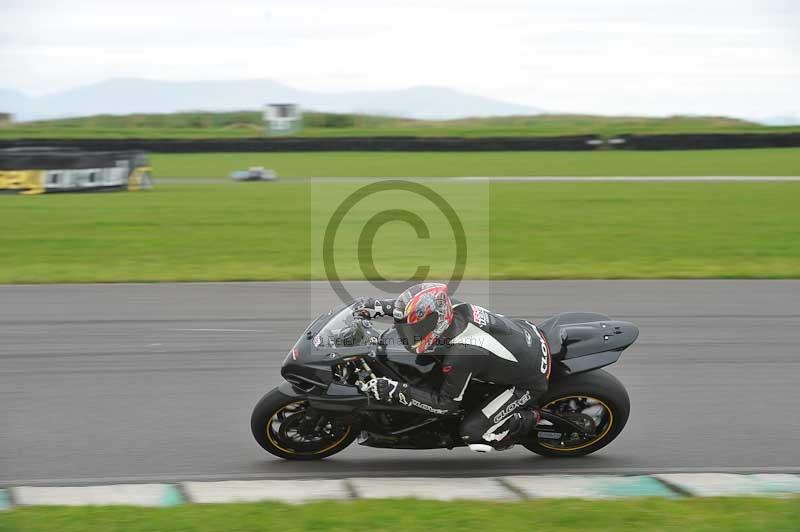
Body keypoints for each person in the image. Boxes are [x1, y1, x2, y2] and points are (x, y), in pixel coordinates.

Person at [354, 282, 550, 452]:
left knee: (472, 432)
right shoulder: (449, 306)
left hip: (529, 381)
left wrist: (397, 389)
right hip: (527, 335)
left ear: (436, 323)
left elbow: (445, 405)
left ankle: (530, 419)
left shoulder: (461, 354)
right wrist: (377, 307)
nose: (408, 333)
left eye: (415, 329)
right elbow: (412, 311)